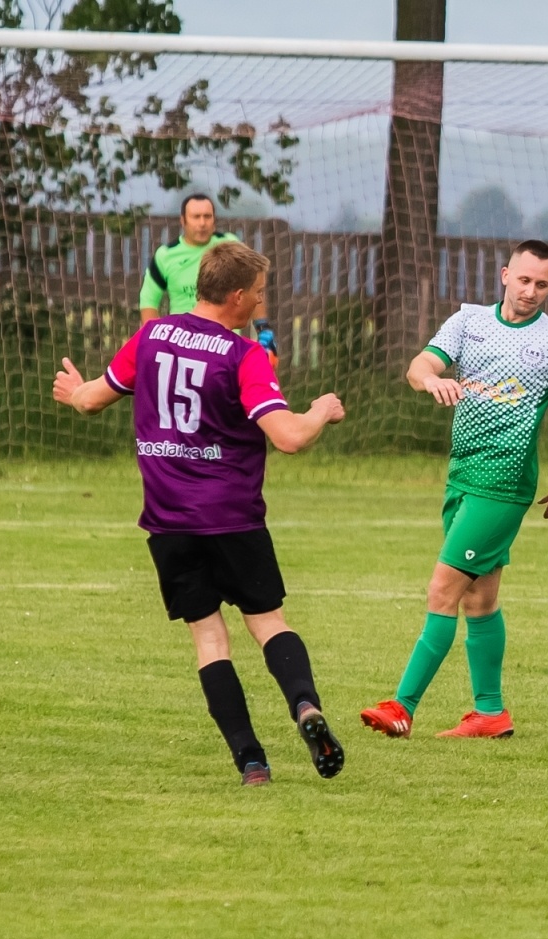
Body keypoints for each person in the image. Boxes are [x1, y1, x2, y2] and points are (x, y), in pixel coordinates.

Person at [54, 241, 347, 786]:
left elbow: (92, 399)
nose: (262, 303)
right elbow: (286, 438)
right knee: (267, 624)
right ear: (236, 296)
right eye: (258, 294)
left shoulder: (151, 335)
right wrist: (319, 411)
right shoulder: (243, 356)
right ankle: (305, 707)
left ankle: (251, 761)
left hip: (168, 524)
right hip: (233, 519)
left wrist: (72, 393)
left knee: (209, 641)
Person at [359, 239, 548, 740]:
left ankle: (402, 707)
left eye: (542, 284)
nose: (531, 291)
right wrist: (432, 382)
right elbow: (418, 367)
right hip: (462, 477)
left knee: (442, 589)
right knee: (481, 601)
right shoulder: (468, 322)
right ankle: (490, 713)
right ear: (505, 275)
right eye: (524, 280)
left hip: (504, 484)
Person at [139, 193, 238, 323]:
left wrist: (262, 325)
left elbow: (253, 285)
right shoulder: (166, 255)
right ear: (183, 220)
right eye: (196, 217)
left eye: (207, 216)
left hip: (224, 338)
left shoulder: (231, 246)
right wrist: (152, 337)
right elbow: (148, 300)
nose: (202, 223)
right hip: (183, 339)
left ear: (214, 219)